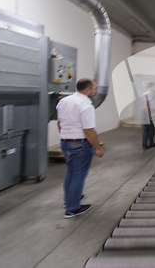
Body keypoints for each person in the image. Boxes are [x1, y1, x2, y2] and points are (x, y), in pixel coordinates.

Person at [57, 78, 104, 218]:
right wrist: (98, 148)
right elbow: (89, 130)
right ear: (87, 90)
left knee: (70, 172)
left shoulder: (64, 101)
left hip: (65, 142)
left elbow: (59, 123)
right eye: (95, 89)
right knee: (79, 175)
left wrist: (67, 137)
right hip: (80, 145)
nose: (95, 92)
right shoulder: (86, 105)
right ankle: (72, 208)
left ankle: (68, 201)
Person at [142, 82, 155, 150]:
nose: (154, 88)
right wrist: (150, 113)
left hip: (148, 112)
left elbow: (152, 104)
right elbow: (145, 104)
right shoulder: (147, 94)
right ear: (151, 87)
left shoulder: (148, 94)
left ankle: (145, 144)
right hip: (147, 113)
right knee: (151, 129)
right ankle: (151, 143)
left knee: (147, 129)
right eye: (154, 87)